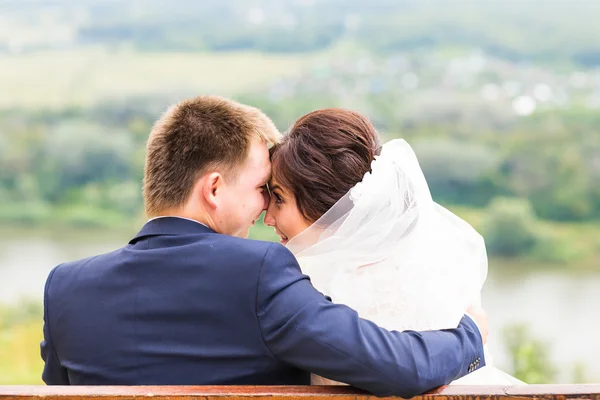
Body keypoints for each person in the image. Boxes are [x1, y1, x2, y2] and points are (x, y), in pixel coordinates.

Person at [41, 96, 486, 397]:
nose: (263, 210)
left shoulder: (64, 287)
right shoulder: (260, 270)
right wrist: (470, 334)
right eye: (261, 188)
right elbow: (399, 367)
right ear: (214, 189)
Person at [265, 108, 521, 385]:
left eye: (278, 198)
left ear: (324, 204)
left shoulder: (303, 291)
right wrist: (471, 334)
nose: (267, 217)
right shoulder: (433, 270)